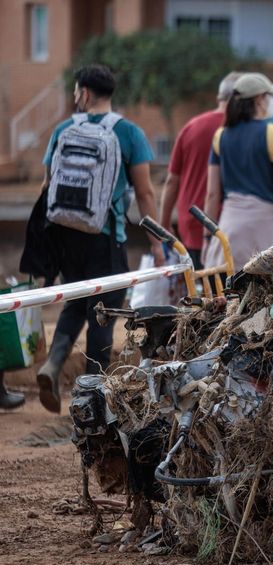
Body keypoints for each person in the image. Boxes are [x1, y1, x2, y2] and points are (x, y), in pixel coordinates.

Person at [34, 64, 163, 414]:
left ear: (85, 93)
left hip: (65, 237)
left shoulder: (63, 130)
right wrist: (156, 241)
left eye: (76, 92)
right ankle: (92, 396)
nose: (75, 97)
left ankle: (53, 363)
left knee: (74, 302)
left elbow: (48, 188)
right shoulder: (129, 133)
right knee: (103, 313)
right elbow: (145, 193)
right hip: (106, 236)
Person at [204, 72, 273, 269]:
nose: (272, 101)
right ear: (258, 99)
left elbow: (213, 193)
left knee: (228, 296)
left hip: (229, 231)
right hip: (266, 232)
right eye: (269, 96)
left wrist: (207, 237)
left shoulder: (220, 137)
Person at [160, 71, 240, 267]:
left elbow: (172, 180)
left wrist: (164, 223)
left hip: (192, 223)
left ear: (218, 98)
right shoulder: (241, 129)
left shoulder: (191, 127)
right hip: (230, 225)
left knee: (200, 291)